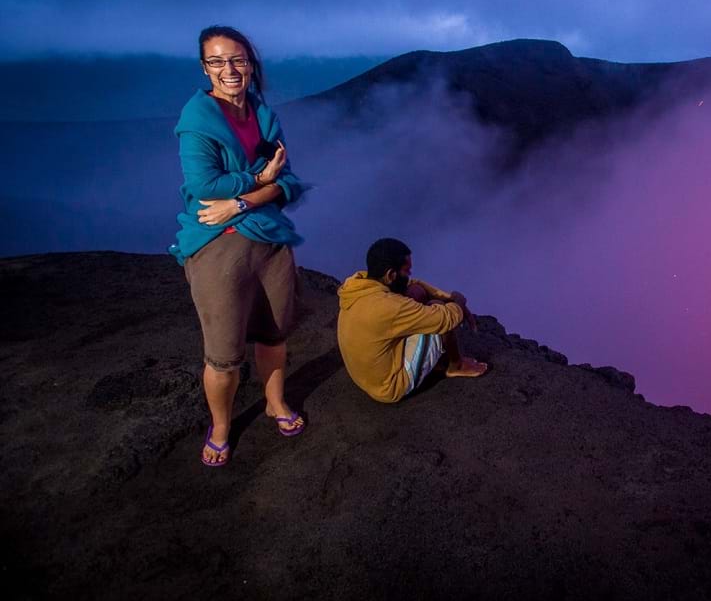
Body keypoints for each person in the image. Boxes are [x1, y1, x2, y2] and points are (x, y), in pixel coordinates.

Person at [169, 25, 307, 467]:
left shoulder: (263, 114)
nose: (229, 70)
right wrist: (260, 180)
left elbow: (289, 181)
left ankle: (274, 402)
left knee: (273, 335)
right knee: (225, 355)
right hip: (218, 245)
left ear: (250, 64)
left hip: (269, 242)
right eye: (217, 61)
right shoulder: (197, 122)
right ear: (204, 68)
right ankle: (223, 425)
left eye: (238, 60)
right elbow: (204, 187)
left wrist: (245, 198)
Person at [338, 238, 488, 403]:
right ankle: (455, 365)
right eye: (406, 271)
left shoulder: (359, 284)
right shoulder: (388, 306)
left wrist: (448, 297)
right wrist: (459, 300)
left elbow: (414, 284)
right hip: (388, 387)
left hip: (366, 377)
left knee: (415, 291)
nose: (410, 275)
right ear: (390, 275)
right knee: (437, 314)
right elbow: (446, 318)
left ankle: (431, 359)